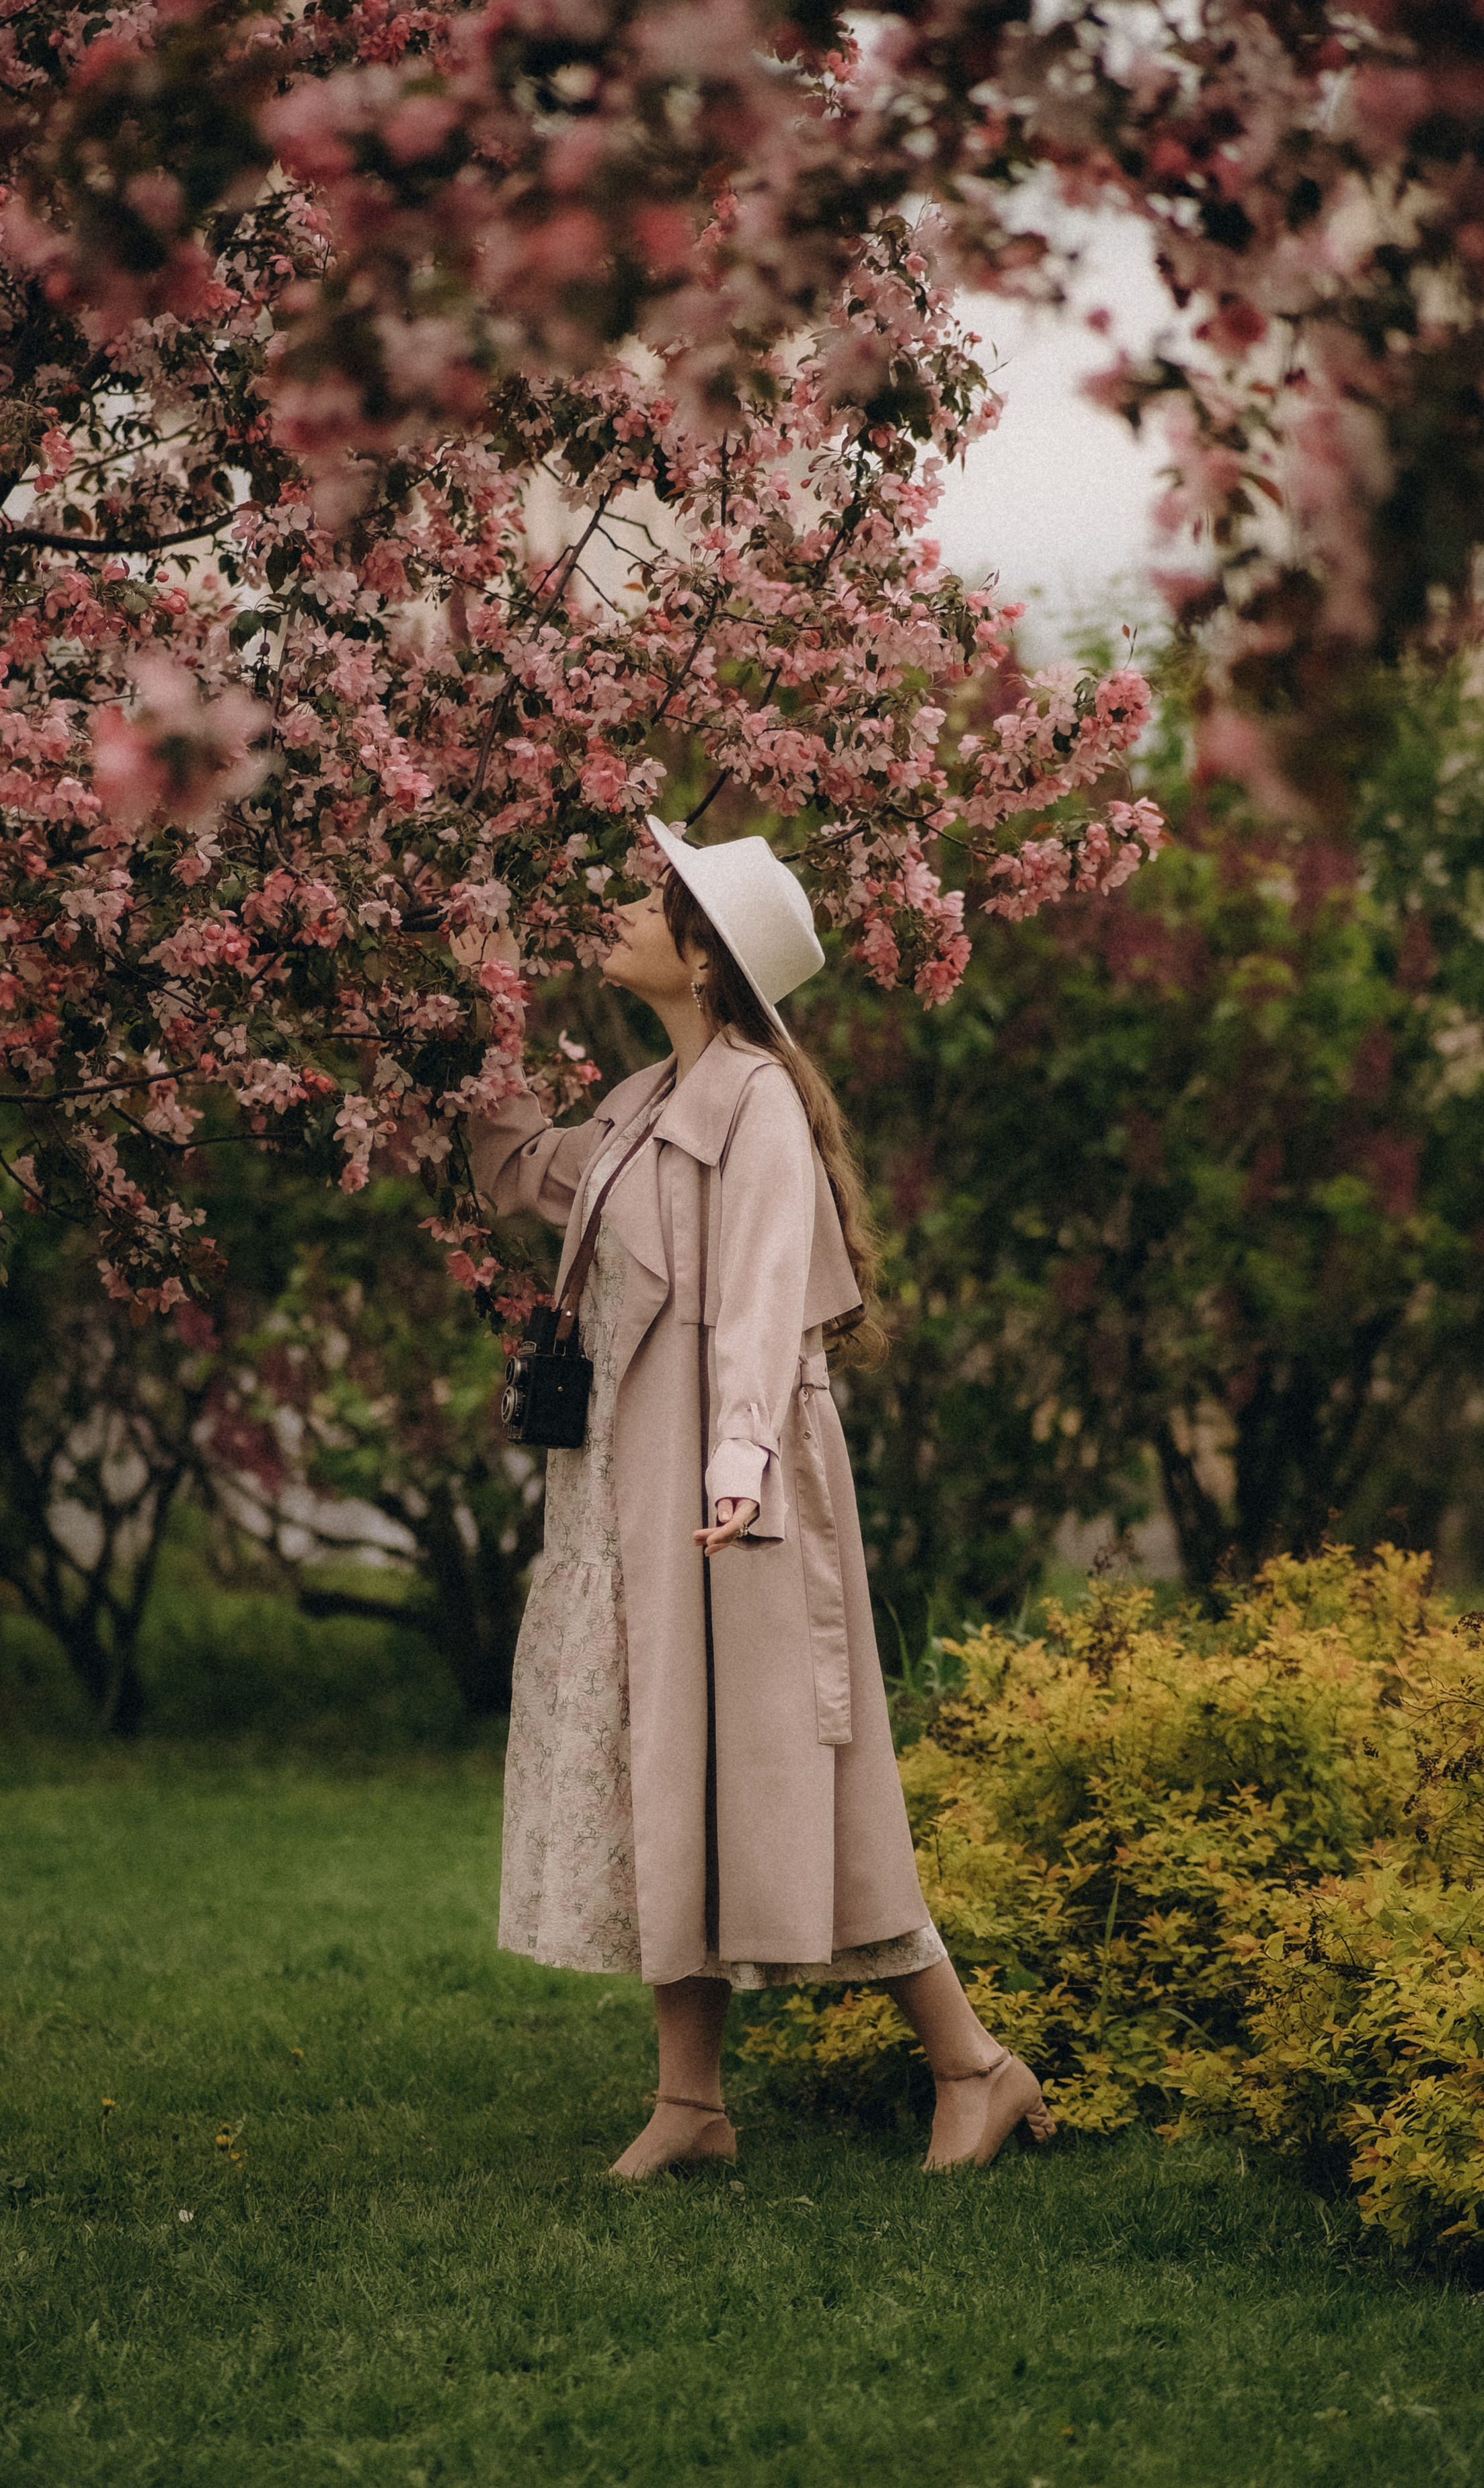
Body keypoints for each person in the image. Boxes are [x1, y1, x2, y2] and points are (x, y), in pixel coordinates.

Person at [463, 816, 1054, 2179]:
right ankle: (689, 2103)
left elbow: (764, 1312)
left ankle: (972, 2064)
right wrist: (480, 1011)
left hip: (739, 1493)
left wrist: (738, 1478)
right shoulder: (638, 1108)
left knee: (796, 1785)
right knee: (677, 1769)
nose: (614, 911)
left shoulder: (756, 1104)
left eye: (645, 900)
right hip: (644, 1484)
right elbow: (511, 1172)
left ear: (703, 956)